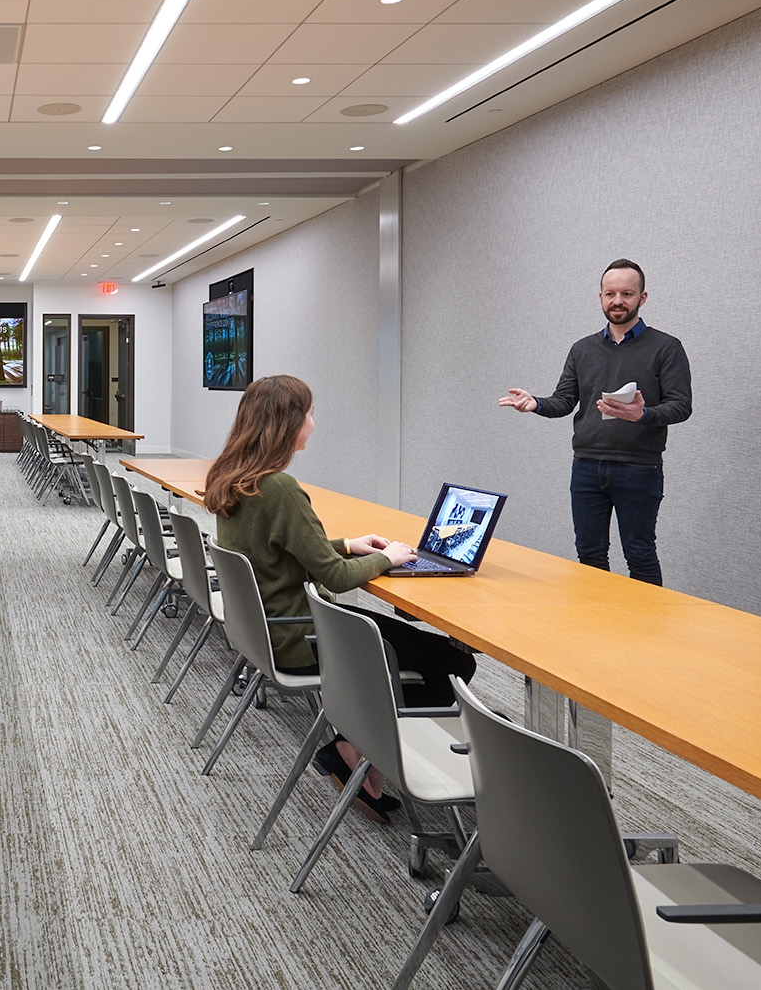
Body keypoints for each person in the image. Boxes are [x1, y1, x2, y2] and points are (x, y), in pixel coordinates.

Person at [206, 374, 477, 822]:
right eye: (310, 414)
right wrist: (388, 558)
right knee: (453, 664)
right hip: (299, 636)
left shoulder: (235, 478)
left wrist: (348, 544)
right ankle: (354, 748)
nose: (314, 423)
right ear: (288, 423)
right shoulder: (280, 489)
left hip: (267, 627)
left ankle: (355, 749)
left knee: (411, 644)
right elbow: (334, 577)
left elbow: (277, 550)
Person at [498, 258, 693, 586]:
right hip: (587, 467)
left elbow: (681, 406)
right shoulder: (582, 349)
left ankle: (644, 620)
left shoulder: (666, 347)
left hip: (639, 469)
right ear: (600, 297)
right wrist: (536, 404)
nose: (618, 301)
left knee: (640, 554)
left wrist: (643, 415)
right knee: (589, 555)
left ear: (642, 298)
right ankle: (596, 619)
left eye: (627, 294)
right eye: (610, 294)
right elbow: (564, 401)